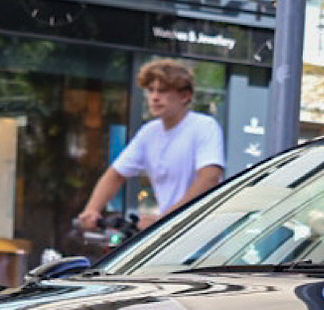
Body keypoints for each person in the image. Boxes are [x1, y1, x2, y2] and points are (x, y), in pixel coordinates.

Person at [71, 58, 224, 234]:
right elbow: (115, 174)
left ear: (185, 96)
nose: (154, 97)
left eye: (163, 91)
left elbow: (209, 178)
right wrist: (92, 210)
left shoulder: (204, 126)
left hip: (203, 233)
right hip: (170, 232)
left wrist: (164, 219)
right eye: (151, 90)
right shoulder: (149, 133)